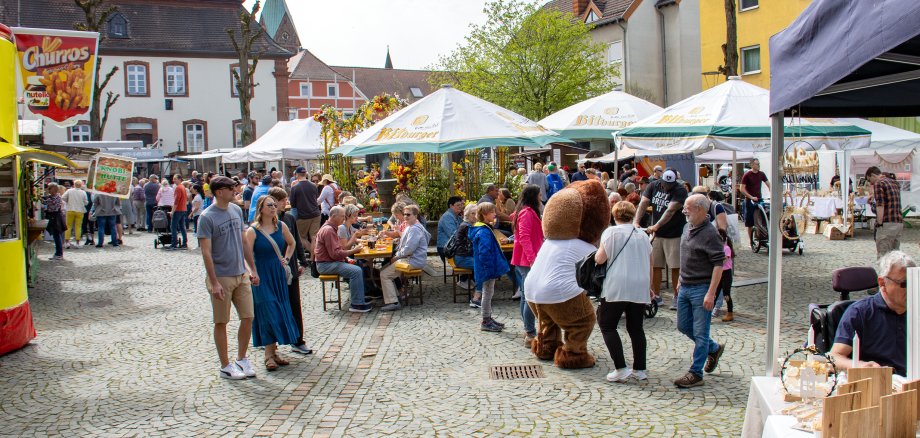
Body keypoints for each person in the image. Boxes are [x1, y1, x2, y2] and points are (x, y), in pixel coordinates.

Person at [197, 176, 256, 380]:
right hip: (221, 275)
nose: (235, 191)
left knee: (248, 317)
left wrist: (252, 268)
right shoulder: (206, 217)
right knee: (221, 321)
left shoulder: (236, 210)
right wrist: (213, 282)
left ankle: (241, 358)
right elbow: (206, 252)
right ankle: (225, 365)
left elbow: (243, 242)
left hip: (241, 273)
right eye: (231, 188)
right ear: (219, 192)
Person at [830, 250, 913, 376]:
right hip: (876, 385)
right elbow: (834, 357)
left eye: (915, 282)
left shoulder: (916, 312)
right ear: (882, 283)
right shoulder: (859, 313)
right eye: (905, 284)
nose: (912, 289)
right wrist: (861, 366)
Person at [596, 201, 652, 382]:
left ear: (614, 216)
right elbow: (650, 262)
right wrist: (650, 286)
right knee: (636, 328)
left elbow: (600, 258)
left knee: (607, 325)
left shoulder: (610, 233)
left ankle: (620, 367)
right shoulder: (642, 235)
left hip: (617, 284)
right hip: (640, 283)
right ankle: (640, 369)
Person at [673, 194, 725, 388]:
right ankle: (713, 348)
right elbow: (685, 255)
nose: (684, 211)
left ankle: (696, 373)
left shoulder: (711, 234)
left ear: (701, 210)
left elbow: (718, 265)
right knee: (683, 326)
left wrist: (711, 293)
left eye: (688, 208)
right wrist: (679, 278)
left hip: (701, 288)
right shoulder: (688, 227)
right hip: (685, 285)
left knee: (701, 333)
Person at [243, 196, 300, 371]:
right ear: (260, 208)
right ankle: (268, 355)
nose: (274, 208)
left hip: (277, 273)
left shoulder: (281, 226)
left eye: (275, 205)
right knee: (269, 310)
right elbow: (246, 253)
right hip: (261, 275)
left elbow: (292, 243)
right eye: (270, 205)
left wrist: (287, 259)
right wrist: (252, 271)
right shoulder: (253, 231)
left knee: (278, 309)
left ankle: (273, 353)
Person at [268, 187, 314, 355]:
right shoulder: (265, 223)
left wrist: (302, 261)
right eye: (281, 201)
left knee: (295, 305)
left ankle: (298, 340)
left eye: (284, 201)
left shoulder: (289, 218)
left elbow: (296, 242)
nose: (284, 204)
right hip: (273, 271)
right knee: (274, 306)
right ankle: (271, 345)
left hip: (291, 269)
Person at [633, 169, 688, 309]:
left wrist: (656, 225)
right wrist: (636, 221)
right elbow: (643, 203)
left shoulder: (680, 190)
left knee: (675, 266)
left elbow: (670, 211)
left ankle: (677, 296)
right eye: (665, 183)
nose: (666, 187)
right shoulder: (653, 185)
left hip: (674, 233)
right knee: (655, 265)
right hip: (657, 235)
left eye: (669, 184)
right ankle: (656, 295)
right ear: (661, 180)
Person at [314, 206, 372, 313]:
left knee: (358, 265)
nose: (343, 219)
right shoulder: (329, 230)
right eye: (342, 216)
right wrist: (352, 252)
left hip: (329, 262)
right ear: (334, 216)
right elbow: (335, 254)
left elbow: (336, 251)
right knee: (356, 271)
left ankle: (362, 295)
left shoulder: (331, 228)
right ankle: (357, 304)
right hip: (325, 265)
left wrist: (346, 258)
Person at [379, 204, 430, 311]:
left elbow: (409, 249)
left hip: (413, 261)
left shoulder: (414, 229)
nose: (406, 217)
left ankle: (393, 302)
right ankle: (396, 295)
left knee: (384, 274)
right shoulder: (411, 226)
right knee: (384, 269)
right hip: (411, 259)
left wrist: (397, 256)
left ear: (415, 215)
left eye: (408, 214)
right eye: (405, 214)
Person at [469, 202, 510, 332]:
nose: (495, 214)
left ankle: (488, 317)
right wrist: (489, 268)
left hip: (486, 268)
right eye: (492, 212)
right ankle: (485, 320)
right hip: (486, 268)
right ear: (485, 215)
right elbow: (484, 252)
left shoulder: (484, 228)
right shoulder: (483, 231)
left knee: (489, 292)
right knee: (487, 293)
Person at [510, 185, 543, 345]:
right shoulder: (527, 213)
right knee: (529, 295)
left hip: (525, 259)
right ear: (533, 196)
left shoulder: (524, 212)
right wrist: (532, 259)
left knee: (525, 294)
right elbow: (524, 237)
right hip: (526, 260)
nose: (541, 196)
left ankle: (528, 329)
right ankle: (530, 332)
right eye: (539, 194)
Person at [866, 166, 903, 257]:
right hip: (898, 223)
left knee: (884, 257)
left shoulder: (879, 183)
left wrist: (879, 223)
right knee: (895, 258)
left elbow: (880, 205)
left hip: (887, 224)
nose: (871, 183)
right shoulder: (894, 182)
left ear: (873, 175)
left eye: (870, 180)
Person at [289, 166, 322, 259]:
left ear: (297, 175)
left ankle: (313, 256)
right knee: (314, 237)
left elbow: (293, 204)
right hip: (316, 214)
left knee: (301, 237)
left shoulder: (295, 187)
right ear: (305, 174)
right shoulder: (313, 186)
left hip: (303, 215)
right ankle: (313, 258)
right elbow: (315, 199)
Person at [452, 204, 482, 306]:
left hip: (466, 256)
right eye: (472, 213)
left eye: (476, 213)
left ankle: (480, 292)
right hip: (462, 258)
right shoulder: (466, 226)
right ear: (467, 215)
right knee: (483, 267)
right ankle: (476, 297)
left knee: (485, 264)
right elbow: (473, 245)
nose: (475, 216)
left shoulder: (470, 225)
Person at [740, 158, 770, 247]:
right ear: (752, 165)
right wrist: (751, 197)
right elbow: (742, 189)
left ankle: (760, 236)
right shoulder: (747, 175)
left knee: (761, 218)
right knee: (750, 222)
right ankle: (751, 241)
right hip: (750, 200)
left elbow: (768, 184)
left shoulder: (761, 174)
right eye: (757, 164)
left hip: (759, 199)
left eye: (759, 164)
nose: (758, 166)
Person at [714, 228, 735, 322]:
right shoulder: (717, 248)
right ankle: (709, 312)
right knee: (715, 293)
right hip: (719, 273)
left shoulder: (726, 248)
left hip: (726, 273)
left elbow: (724, 259)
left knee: (726, 294)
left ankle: (730, 313)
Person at [437, 196, 464, 265]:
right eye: (458, 205)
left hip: (453, 245)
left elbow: (465, 228)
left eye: (461, 205)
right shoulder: (447, 217)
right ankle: (465, 274)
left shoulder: (457, 216)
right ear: (451, 206)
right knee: (468, 253)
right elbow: (453, 234)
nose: (460, 207)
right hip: (446, 247)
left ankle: (466, 274)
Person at [43, 183, 67, 260]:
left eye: (50, 188)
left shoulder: (56, 198)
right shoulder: (52, 197)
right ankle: (58, 253)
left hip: (56, 218)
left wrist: (46, 208)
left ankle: (59, 254)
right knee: (56, 236)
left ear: (54, 189)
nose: (48, 190)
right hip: (55, 217)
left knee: (57, 236)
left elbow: (53, 208)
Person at [61, 179, 87, 249]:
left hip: (70, 209)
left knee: (68, 226)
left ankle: (67, 242)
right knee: (78, 227)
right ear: (81, 185)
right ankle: (77, 242)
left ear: (74, 184)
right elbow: (86, 202)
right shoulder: (83, 192)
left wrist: (68, 201)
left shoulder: (69, 191)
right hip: (80, 211)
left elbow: (63, 197)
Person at [169, 174, 189, 250]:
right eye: (173, 179)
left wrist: (172, 211)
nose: (173, 180)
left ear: (180, 179)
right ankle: (184, 243)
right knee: (182, 227)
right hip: (183, 209)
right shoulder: (183, 187)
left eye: (175, 179)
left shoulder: (178, 188)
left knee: (173, 227)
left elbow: (176, 201)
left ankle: (174, 243)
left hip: (178, 210)